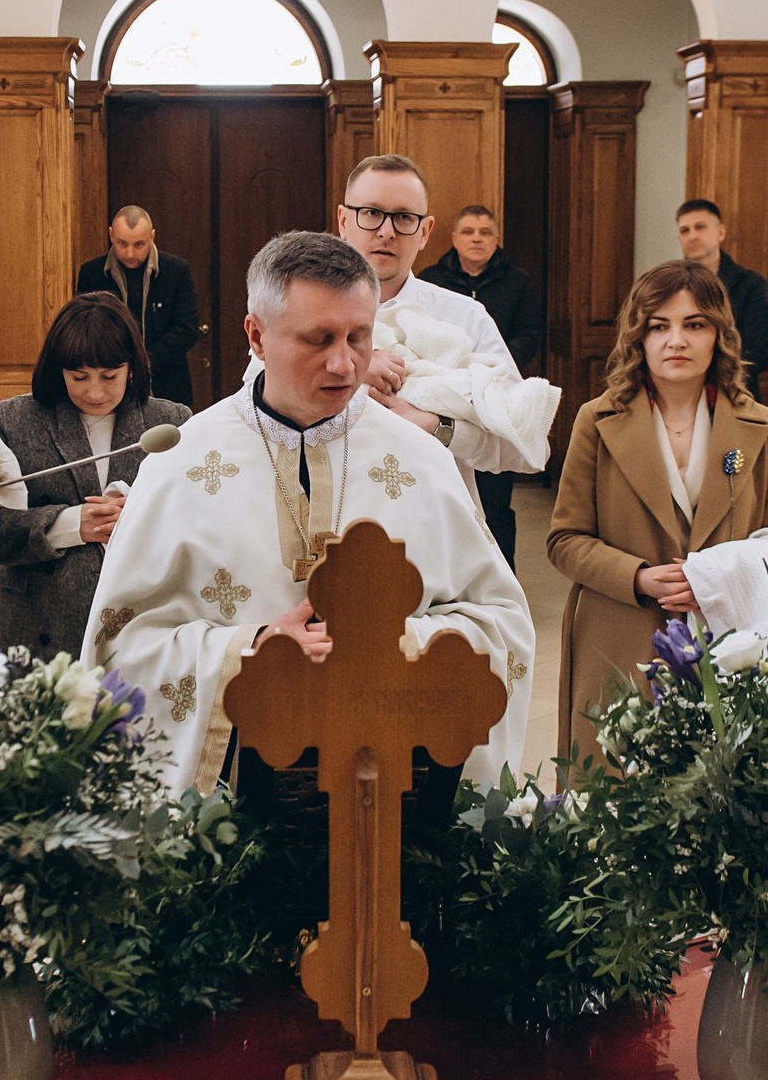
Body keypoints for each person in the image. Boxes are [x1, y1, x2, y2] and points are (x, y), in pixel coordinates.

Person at [84, 230, 536, 796]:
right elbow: (117, 650)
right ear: (256, 335)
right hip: (235, 803)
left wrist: (386, 649)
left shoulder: (421, 461)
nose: (344, 363)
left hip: (394, 785)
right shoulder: (181, 465)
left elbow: (503, 627)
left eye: (359, 337)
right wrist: (255, 648)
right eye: (319, 339)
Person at [547, 260, 768, 763]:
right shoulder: (597, 420)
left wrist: (720, 577)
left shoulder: (761, 425)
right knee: (614, 785)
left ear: (719, 334)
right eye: (659, 326)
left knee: (718, 787)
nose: (676, 341)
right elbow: (565, 540)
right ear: (638, 337)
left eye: (694, 324)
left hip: (729, 638)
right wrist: (639, 577)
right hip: (621, 633)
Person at [0, 294, 192, 659]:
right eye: (79, 377)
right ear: (58, 369)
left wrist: (142, 517)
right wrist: (73, 524)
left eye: (109, 376)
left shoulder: (171, 422)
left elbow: (199, 522)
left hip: (141, 627)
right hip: (39, 627)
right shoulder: (15, 420)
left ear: (132, 368)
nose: (94, 391)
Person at [338, 155, 550, 479]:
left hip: (435, 506)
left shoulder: (466, 317)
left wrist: (441, 427)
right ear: (343, 221)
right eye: (371, 213)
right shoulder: (302, 311)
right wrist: (351, 365)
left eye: (404, 217)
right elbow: (263, 404)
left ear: (425, 232)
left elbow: (528, 448)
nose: (387, 231)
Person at [418, 203, 545, 570]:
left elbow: (529, 334)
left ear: (496, 239)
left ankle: (505, 582)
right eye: (469, 232)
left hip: (494, 399)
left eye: (485, 232)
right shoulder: (429, 280)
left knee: (496, 504)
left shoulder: (518, 282)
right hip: (442, 400)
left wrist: (493, 366)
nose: (477, 238)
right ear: (454, 239)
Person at [76, 206, 202, 411]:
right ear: (111, 235)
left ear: (152, 237)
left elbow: (187, 329)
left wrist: (145, 362)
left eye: (139, 244)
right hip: (108, 386)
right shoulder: (91, 273)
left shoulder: (176, 271)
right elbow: (85, 330)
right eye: (122, 243)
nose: (130, 253)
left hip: (167, 386)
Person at [676, 198, 768, 402]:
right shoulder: (669, 286)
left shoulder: (750, 284)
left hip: (733, 392)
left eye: (700, 227)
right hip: (677, 390)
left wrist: (709, 377)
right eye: (685, 230)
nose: (692, 236)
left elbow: (758, 350)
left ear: (720, 232)